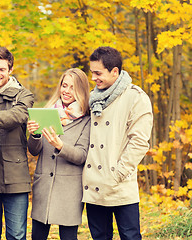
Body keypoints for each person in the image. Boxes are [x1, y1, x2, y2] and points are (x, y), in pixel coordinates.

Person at [82, 46, 153, 240]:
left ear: (115, 71)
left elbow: (139, 142)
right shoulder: (92, 97)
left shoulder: (135, 98)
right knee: (100, 237)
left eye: (98, 73)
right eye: (92, 73)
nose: (94, 78)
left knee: (129, 236)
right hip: (94, 184)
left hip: (120, 185)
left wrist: (117, 174)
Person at [27, 68, 91, 240]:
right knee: (37, 236)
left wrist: (60, 146)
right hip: (44, 186)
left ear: (81, 90)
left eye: (72, 87)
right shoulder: (48, 112)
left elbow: (82, 156)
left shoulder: (87, 120)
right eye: (64, 86)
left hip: (69, 189)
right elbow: (34, 151)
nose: (66, 91)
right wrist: (34, 135)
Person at [0, 47, 34, 240]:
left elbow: (16, 116)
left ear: (10, 70)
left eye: (2, 69)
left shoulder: (24, 95)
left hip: (16, 178)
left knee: (17, 235)